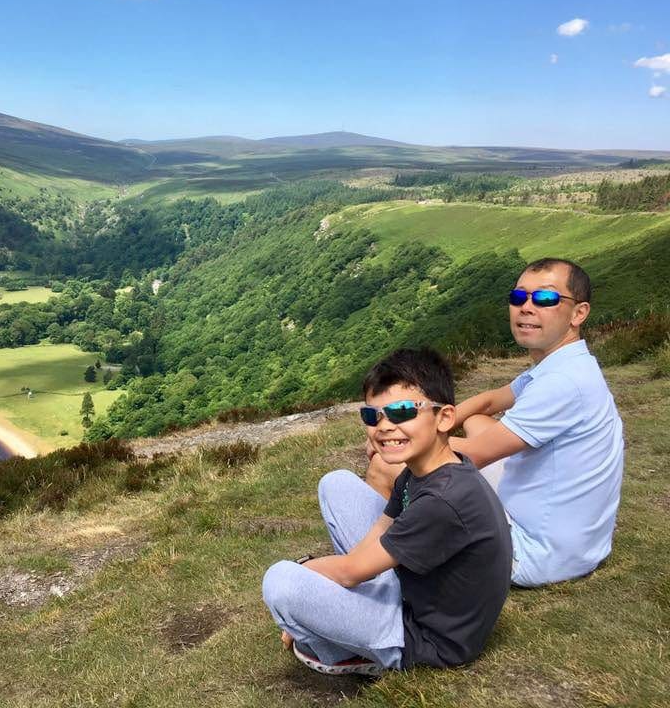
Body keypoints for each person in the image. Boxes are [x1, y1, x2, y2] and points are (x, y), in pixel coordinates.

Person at [366, 258, 624, 587]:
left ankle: (377, 571)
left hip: (534, 553)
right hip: (577, 543)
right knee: (476, 420)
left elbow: (475, 453)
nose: (527, 307)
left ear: (579, 313)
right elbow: (489, 401)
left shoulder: (563, 384)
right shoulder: (563, 364)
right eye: (518, 297)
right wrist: (430, 419)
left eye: (545, 299)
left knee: (386, 467)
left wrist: (390, 437)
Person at [262, 348, 511, 675]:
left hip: (428, 640)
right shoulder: (423, 470)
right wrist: (336, 579)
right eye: (372, 416)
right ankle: (342, 620)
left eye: (403, 411)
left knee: (281, 582)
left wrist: (305, 572)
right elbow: (380, 531)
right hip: (415, 594)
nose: (385, 426)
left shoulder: (444, 500)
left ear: (445, 418)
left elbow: (350, 571)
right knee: (336, 483)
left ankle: (341, 653)